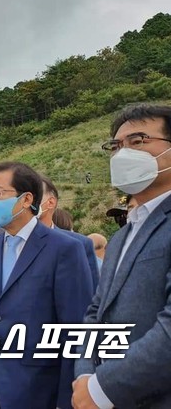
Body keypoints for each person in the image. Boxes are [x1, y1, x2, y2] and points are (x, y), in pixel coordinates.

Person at [0, 162, 93, 409]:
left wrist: (68, 397)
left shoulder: (64, 249)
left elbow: (76, 328)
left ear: (26, 199)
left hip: (40, 387)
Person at [73, 104, 171, 408]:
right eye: (117, 145)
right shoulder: (120, 238)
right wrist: (86, 375)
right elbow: (95, 314)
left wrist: (104, 387)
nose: (123, 152)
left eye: (139, 141)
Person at [39, 176, 100, 291]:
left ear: (51, 202)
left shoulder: (80, 244)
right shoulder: (3, 243)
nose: (26, 200)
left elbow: (91, 296)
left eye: (34, 194)